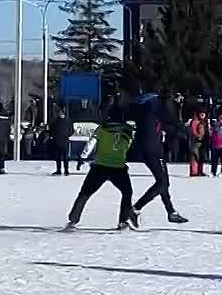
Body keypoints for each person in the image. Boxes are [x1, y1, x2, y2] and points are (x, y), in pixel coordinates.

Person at [64, 102, 136, 232]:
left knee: (85, 193)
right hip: (118, 167)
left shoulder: (102, 128)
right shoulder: (128, 131)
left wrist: (83, 157)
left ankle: (73, 220)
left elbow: (91, 143)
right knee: (127, 193)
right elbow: (130, 146)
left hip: (100, 166)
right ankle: (123, 221)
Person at [129, 93, 189, 226]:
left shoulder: (149, 112)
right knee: (162, 182)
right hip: (152, 150)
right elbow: (173, 120)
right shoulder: (155, 107)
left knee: (164, 183)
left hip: (150, 148)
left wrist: (178, 133)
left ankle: (171, 212)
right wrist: (187, 131)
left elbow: (166, 126)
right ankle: (135, 209)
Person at [50, 106, 73, 176]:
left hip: (62, 140)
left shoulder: (58, 121)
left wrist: (66, 135)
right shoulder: (59, 121)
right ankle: (59, 170)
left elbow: (71, 130)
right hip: (60, 141)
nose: (61, 114)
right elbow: (52, 130)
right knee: (59, 157)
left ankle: (65, 170)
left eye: (61, 113)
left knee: (64, 157)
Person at [188, 111, 208, 176]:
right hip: (197, 141)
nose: (202, 115)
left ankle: (198, 171)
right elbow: (194, 131)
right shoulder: (196, 122)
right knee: (195, 156)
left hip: (200, 141)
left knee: (199, 156)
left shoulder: (202, 121)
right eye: (201, 114)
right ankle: (195, 171)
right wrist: (199, 136)